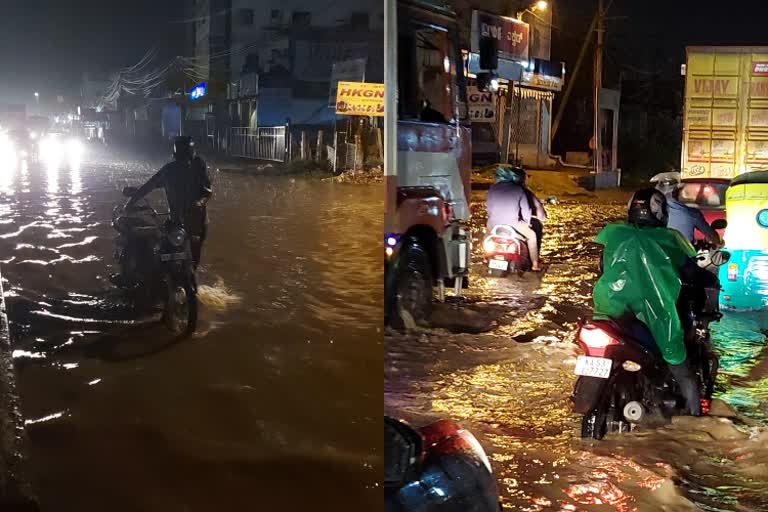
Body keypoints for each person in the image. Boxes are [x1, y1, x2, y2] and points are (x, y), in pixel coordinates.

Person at [592, 188, 701, 415]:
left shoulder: (613, 232)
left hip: (609, 309)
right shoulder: (670, 238)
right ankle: (695, 418)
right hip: (656, 312)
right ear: (660, 212)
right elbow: (691, 274)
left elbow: (601, 266)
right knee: (682, 370)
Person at [127, 136, 212, 268]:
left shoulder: (199, 166)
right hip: (175, 222)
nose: (183, 163)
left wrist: (198, 203)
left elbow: (207, 192)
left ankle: (192, 274)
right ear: (175, 156)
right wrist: (131, 202)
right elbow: (149, 186)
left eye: (186, 159)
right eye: (180, 159)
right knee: (163, 254)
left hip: (197, 221)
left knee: (194, 258)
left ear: (192, 155)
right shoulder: (169, 170)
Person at [486, 165, 545, 271]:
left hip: (494, 223)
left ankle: (485, 256)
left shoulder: (492, 188)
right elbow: (526, 211)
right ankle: (535, 264)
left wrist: (493, 219)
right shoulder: (519, 190)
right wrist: (527, 223)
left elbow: (489, 209)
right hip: (513, 224)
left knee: (487, 233)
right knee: (532, 236)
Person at [650, 171, 721, 246]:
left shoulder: (651, 209)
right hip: (682, 255)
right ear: (677, 190)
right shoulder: (691, 213)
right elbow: (712, 236)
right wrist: (719, 242)